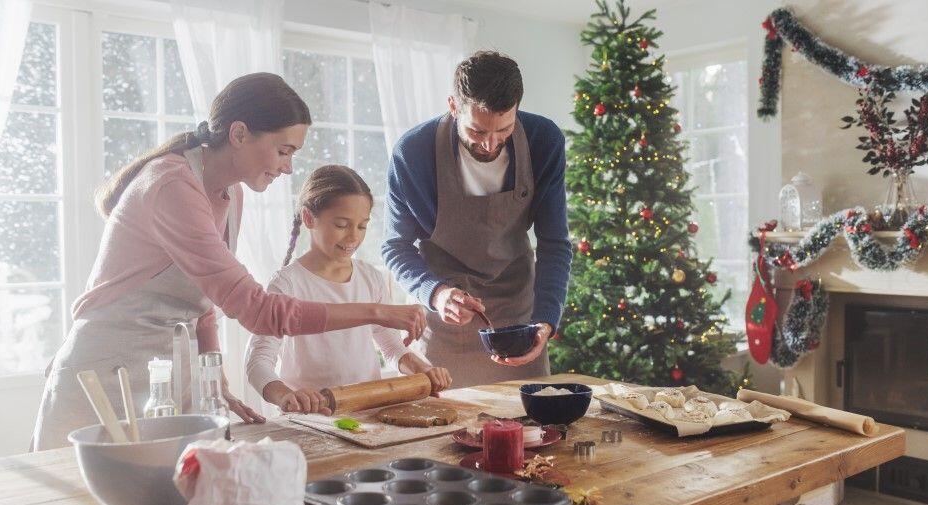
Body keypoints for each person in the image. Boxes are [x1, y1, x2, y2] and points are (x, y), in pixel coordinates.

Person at [32, 73, 425, 450]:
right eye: (283, 150)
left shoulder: (230, 195)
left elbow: (204, 303)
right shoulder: (171, 185)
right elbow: (258, 311)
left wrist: (213, 376)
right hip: (103, 373)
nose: (288, 167)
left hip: (166, 376)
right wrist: (378, 312)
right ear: (238, 133)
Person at [382, 51, 572, 388]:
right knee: (445, 430)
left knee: (528, 426)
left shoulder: (544, 141)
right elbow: (395, 246)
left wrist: (544, 321)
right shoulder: (413, 152)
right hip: (446, 318)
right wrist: (437, 293)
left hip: (518, 316)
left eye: (504, 129)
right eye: (477, 130)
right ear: (453, 106)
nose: (490, 143)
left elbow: (555, 244)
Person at [245, 164, 452, 415]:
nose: (353, 237)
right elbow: (258, 362)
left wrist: (424, 370)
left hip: (368, 414)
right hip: (311, 419)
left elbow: (392, 348)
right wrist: (287, 396)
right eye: (342, 225)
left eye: (362, 226)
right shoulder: (287, 283)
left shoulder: (371, 278)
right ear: (309, 218)